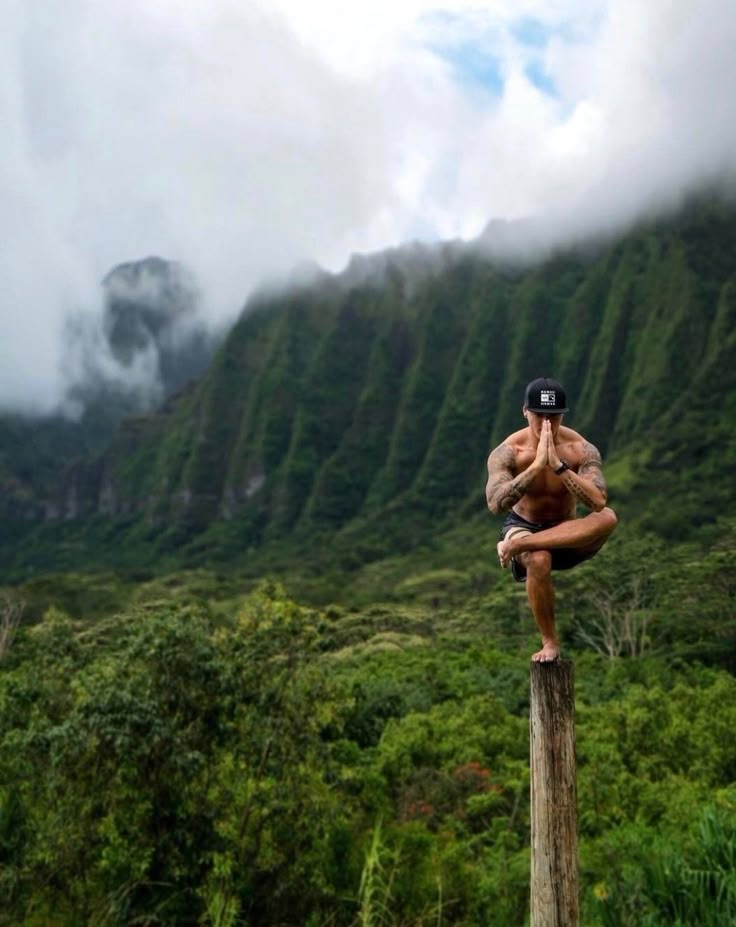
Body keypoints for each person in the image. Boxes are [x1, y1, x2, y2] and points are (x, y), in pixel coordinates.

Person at [485, 377, 618, 663]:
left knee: (608, 517)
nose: (546, 423)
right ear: (525, 412)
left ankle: (518, 547)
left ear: (562, 415)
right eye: (539, 415)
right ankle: (549, 642)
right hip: (523, 526)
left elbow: (597, 501)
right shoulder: (509, 452)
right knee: (539, 559)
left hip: (566, 529)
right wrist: (536, 466)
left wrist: (558, 466)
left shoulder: (580, 449)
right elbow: (496, 504)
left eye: (553, 416)